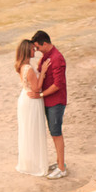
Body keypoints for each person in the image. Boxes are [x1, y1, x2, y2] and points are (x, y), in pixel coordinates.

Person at [29, 29, 68, 179]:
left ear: (44, 43)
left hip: (56, 101)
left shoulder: (57, 58)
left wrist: (40, 95)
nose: (37, 51)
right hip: (48, 100)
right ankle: (60, 163)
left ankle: (61, 168)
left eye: (37, 47)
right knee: (53, 132)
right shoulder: (46, 56)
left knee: (56, 133)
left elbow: (58, 84)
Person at [14, 39, 51, 177]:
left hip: (25, 98)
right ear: (26, 50)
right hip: (31, 100)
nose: (34, 50)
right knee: (33, 131)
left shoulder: (22, 66)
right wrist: (43, 73)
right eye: (31, 49)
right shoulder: (28, 69)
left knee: (28, 131)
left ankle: (30, 163)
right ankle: (34, 165)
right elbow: (36, 88)